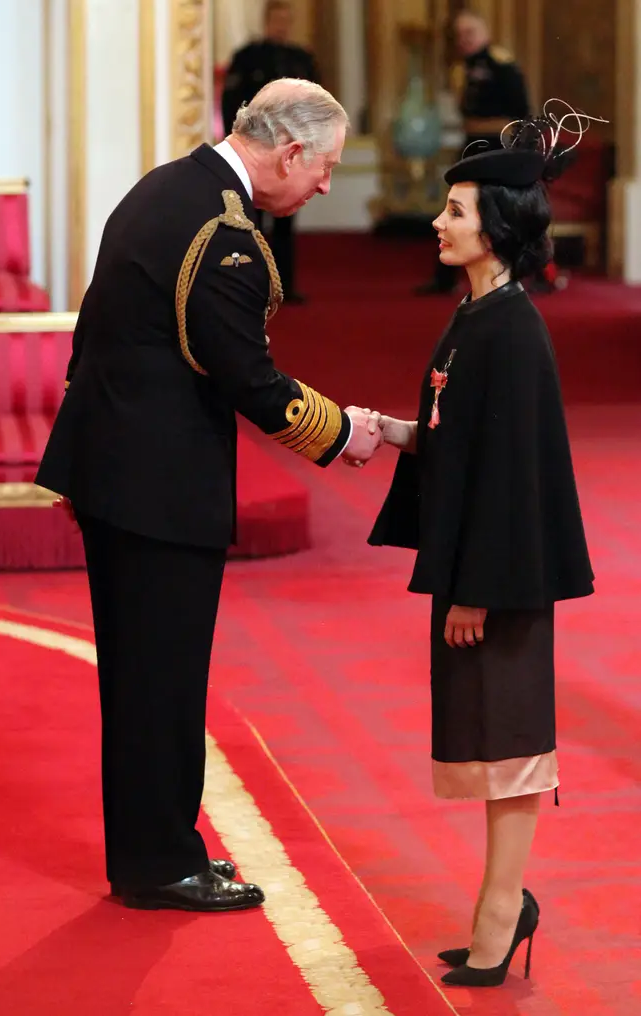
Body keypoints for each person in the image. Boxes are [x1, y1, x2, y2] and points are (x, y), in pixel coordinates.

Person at [36, 78, 382, 913]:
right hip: (159, 486)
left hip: (118, 467)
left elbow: (98, 326)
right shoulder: (222, 227)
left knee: (137, 677)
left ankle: (152, 852)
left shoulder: (169, 185)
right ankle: (160, 865)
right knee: (162, 679)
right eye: (325, 168)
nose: (326, 185)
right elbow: (247, 377)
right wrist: (340, 433)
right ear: (289, 151)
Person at [369, 108, 596, 986]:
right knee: (487, 744)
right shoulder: (479, 316)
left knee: (510, 749)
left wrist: (475, 592)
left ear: (496, 226)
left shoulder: (512, 331)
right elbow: (455, 433)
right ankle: (505, 907)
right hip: (477, 571)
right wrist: (381, 430)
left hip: (499, 581)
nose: (438, 221)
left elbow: (511, 480)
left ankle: (501, 915)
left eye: (456, 210)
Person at [415, 10, 531, 296]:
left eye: (470, 33)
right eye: (460, 35)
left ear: (485, 33)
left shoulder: (501, 64)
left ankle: (514, 275)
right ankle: (444, 277)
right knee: (454, 207)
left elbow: (521, 110)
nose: (464, 40)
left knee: (500, 211)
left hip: (497, 144)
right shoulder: (460, 67)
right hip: (470, 143)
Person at [222, 0, 319, 303]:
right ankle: (252, 287)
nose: (281, 26)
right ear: (266, 21)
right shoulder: (247, 58)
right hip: (256, 149)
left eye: (285, 20)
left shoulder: (301, 60)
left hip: (291, 150)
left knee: (286, 218)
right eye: (276, 20)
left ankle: (285, 286)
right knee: (252, 220)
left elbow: (317, 105)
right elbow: (231, 103)